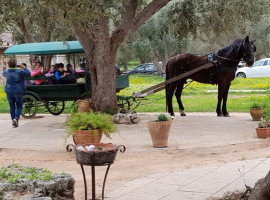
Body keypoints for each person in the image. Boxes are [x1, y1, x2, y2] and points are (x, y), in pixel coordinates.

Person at [2, 58, 31, 128]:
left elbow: (3, 73)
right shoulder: (20, 72)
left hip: (9, 91)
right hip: (18, 91)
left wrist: (6, 68)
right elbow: (29, 74)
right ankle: (16, 118)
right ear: (16, 64)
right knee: (19, 106)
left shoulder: (6, 72)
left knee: (12, 107)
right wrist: (24, 68)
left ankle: (13, 122)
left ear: (9, 64)